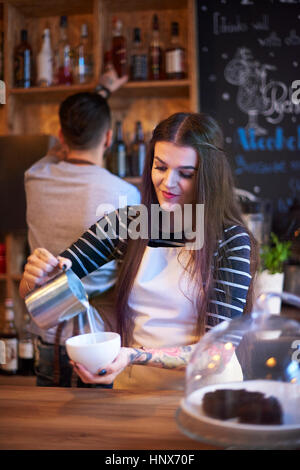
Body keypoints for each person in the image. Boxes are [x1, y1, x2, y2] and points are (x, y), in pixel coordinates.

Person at [20, 112, 259, 391]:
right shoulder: (128, 224)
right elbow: (46, 291)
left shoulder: (230, 239)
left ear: (209, 176)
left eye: (185, 174)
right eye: (160, 167)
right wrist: (36, 276)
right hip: (135, 394)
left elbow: (216, 353)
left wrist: (134, 355)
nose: (168, 183)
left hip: (207, 395)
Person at [24, 68, 140, 387]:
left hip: (45, 328)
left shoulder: (35, 177)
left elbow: (58, 149)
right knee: (101, 431)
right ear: (108, 137)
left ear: (60, 137)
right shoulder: (127, 194)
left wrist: (102, 89)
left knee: (53, 431)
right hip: (98, 338)